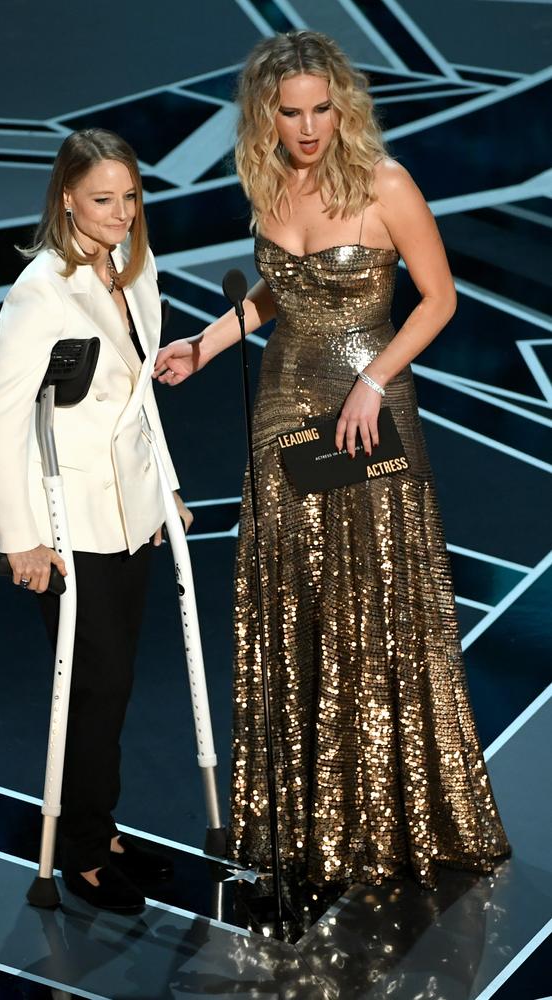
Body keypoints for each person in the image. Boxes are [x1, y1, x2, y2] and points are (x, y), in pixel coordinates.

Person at [153, 31, 509, 894]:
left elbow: (440, 298)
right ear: (265, 117)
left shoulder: (385, 184)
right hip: (284, 404)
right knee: (296, 594)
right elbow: (282, 291)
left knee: (375, 593)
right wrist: (208, 343)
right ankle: (313, 817)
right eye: (290, 112)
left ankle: (398, 812)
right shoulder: (268, 184)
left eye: (320, 109)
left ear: (341, 106)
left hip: (369, 410)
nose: (308, 128)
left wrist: (373, 380)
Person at [0, 128, 192, 912]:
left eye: (131, 197)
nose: (121, 214)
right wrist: (19, 538)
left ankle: (97, 828)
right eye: (103, 200)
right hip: (68, 528)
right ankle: (83, 853)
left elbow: (136, 403)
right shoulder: (41, 292)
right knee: (95, 688)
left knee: (116, 684)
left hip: (129, 513)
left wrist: (163, 490)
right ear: (67, 197)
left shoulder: (136, 274)